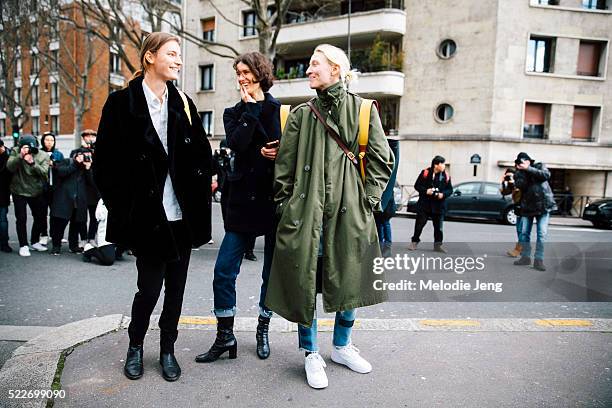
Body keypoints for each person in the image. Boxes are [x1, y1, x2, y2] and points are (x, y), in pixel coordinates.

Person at [265, 44, 394, 389]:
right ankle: (310, 353)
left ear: (335, 69)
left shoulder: (363, 110)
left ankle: (341, 345)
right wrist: (285, 207)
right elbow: (284, 168)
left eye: (314, 65)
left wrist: (368, 200)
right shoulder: (300, 115)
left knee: (349, 279)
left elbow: (383, 160)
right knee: (304, 281)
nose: (308, 70)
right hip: (306, 215)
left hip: (349, 214)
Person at [93, 32, 212, 382]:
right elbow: (104, 166)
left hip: (181, 217)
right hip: (146, 218)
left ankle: (167, 350)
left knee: (176, 292)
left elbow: (202, 156)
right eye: (171, 54)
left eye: (179, 55)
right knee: (148, 290)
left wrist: (200, 185)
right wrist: (123, 209)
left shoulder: (184, 102)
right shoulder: (120, 103)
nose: (178, 60)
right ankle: (135, 347)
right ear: (149, 57)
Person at [195, 51, 280, 364]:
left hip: (273, 202)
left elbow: (282, 150)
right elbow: (238, 144)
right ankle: (225, 335)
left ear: (260, 73)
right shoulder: (233, 112)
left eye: (247, 72)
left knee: (270, 274)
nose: (242, 78)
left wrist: (274, 150)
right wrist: (251, 109)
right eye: (239, 73)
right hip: (242, 203)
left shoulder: (279, 110)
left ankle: (263, 328)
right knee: (223, 271)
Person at [6, 135, 50, 256]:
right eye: (26, 147)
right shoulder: (15, 151)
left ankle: (35, 241)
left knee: (40, 217)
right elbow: (10, 167)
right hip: (18, 189)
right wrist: (20, 156)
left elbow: (44, 173)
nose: (29, 149)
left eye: (32, 147)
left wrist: (32, 163)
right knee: (21, 218)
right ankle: (23, 245)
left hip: (36, 190)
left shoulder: (43, 155)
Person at [512, 152, 556, 271]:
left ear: (529, 161)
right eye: (519, 163)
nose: (521, 164)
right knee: (524, 233)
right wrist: (524, 171)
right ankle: (525, 257)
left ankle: (538, 260)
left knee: (541, 234)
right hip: (527, 207)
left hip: (544, 205)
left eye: (523, 161)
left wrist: (529, 168)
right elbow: (522, 186)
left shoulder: (539, 166)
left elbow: (545, 175)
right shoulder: (519, 173)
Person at [48, 148, 94, 255]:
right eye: (82, 155)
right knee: (59, 224)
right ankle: (56, 246)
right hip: (64, 199)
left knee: (76, 225)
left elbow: (92, 183)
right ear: (75, 155)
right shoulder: (67, 161)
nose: (85, 158)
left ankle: (73, 246)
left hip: (79, 200)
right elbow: (61, 172)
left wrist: (88, 168)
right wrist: (75, 164)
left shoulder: (87, 167)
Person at [408, 155, 453, 253]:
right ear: (436, 165)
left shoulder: (445, 175)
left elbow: (450, 190)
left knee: (438, 228)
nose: (444, 166)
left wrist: (443, 194)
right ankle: (414, 242)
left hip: (439, 206)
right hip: (425, 205)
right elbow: (417, 186)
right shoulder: (425, 173)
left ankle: (438, 245)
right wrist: (426, 191)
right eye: (443, 164)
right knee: (419, 225)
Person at [39, 131, 65, 247]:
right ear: (43, 141)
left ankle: (56, 235)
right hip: (42, 188)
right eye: (47, 140)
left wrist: (54, 164)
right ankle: (43, 234)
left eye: (52, 140)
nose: (49, 142)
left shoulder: (58, 154)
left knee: (55, 214)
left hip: (55, 188)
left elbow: (63, 169)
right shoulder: (39, 153)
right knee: (42, 213)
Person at [375, 138, 399, 257]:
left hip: (387, 202)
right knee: (381, 224)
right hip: (385, 201)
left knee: (384, 223)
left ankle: (386, 247)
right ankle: (382, 247)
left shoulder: (389, 167)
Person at [82, 199, 123, 265]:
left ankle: (117, 253)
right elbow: (99, 216)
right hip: (106, 233)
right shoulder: (103, 200)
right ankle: (89, 249)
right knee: (108, 260)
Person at [79, 129, 100, 246]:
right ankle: (82, 238)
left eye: (92, 136)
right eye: (87, 136)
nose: (90, 138)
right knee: (81, 216)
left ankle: (91, 237)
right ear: (83, 138)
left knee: (94, 217)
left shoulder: (98, 152)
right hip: (81, 189)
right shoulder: (78, 151)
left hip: (94, 190)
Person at [500, 167, 523, 257]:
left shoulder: (520, 182)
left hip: (524, 208)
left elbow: (520, 194)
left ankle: (518, 250)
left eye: (511, 175)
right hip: (517, 208)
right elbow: (504, 193)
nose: (509, 177)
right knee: (519, 230)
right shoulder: (511, 183)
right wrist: (504, 182)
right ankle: (522, 248)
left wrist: (514, 183)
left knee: (522, 230)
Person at [0, 139, 12, 252]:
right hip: (3, 193)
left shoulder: (7, 158)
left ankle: (4, 242)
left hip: (3, 194)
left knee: (2, 220)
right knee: (3, 220)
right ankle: (4, 243)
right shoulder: (7, 158)